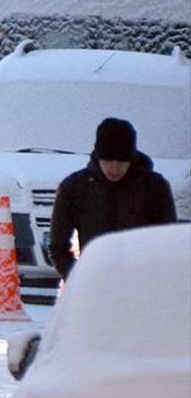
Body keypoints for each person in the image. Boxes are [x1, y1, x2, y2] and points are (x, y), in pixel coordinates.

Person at [49, 118, 177, 280]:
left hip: (142, 284)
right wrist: (76, 277)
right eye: (108, 160)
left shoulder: (154, 187)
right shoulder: (75, 187)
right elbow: (58, 245)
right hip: (95, 283)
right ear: (98, 155)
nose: (115, 168)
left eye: (122, 161)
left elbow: (168, 241)